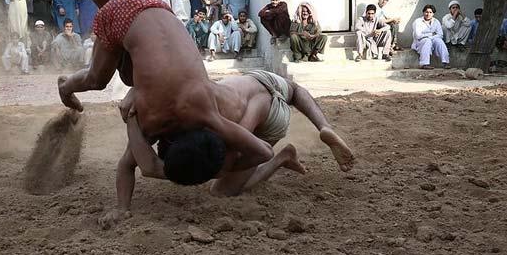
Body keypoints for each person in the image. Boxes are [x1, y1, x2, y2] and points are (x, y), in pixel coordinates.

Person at [55, 0, 287, 188]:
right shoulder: (149, 121)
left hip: (157, 7)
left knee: (129, 77)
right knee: (97, 80)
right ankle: (66, 87)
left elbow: (264, 151)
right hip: (130, 20)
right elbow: (143, 167)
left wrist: (222, 169)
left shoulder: (205, 113)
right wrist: (218, 172)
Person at [101, 70, 354, 224]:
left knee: (223, 189)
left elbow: (261, 149)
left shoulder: (225, 142)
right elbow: (144, 166)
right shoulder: (163, 117)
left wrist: (134, 101)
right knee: (296, 91)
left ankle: (282, 157)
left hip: (265, 109)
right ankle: (321, 126)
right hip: (245, 82)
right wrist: (132, 114)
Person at [411, 4, 450, 70]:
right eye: (426, 12)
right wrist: (431, 34)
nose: (428, 14)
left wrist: (429, 36)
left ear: (433, 13)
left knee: (439, 41)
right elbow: (418, 35)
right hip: (420, 41)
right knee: (427, 41)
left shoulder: (436, 21)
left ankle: (446, 62)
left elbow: (440, 35)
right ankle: (424, 64)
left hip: (432, 39)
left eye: (430, 12)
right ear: (423, 12)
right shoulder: (418, 21)